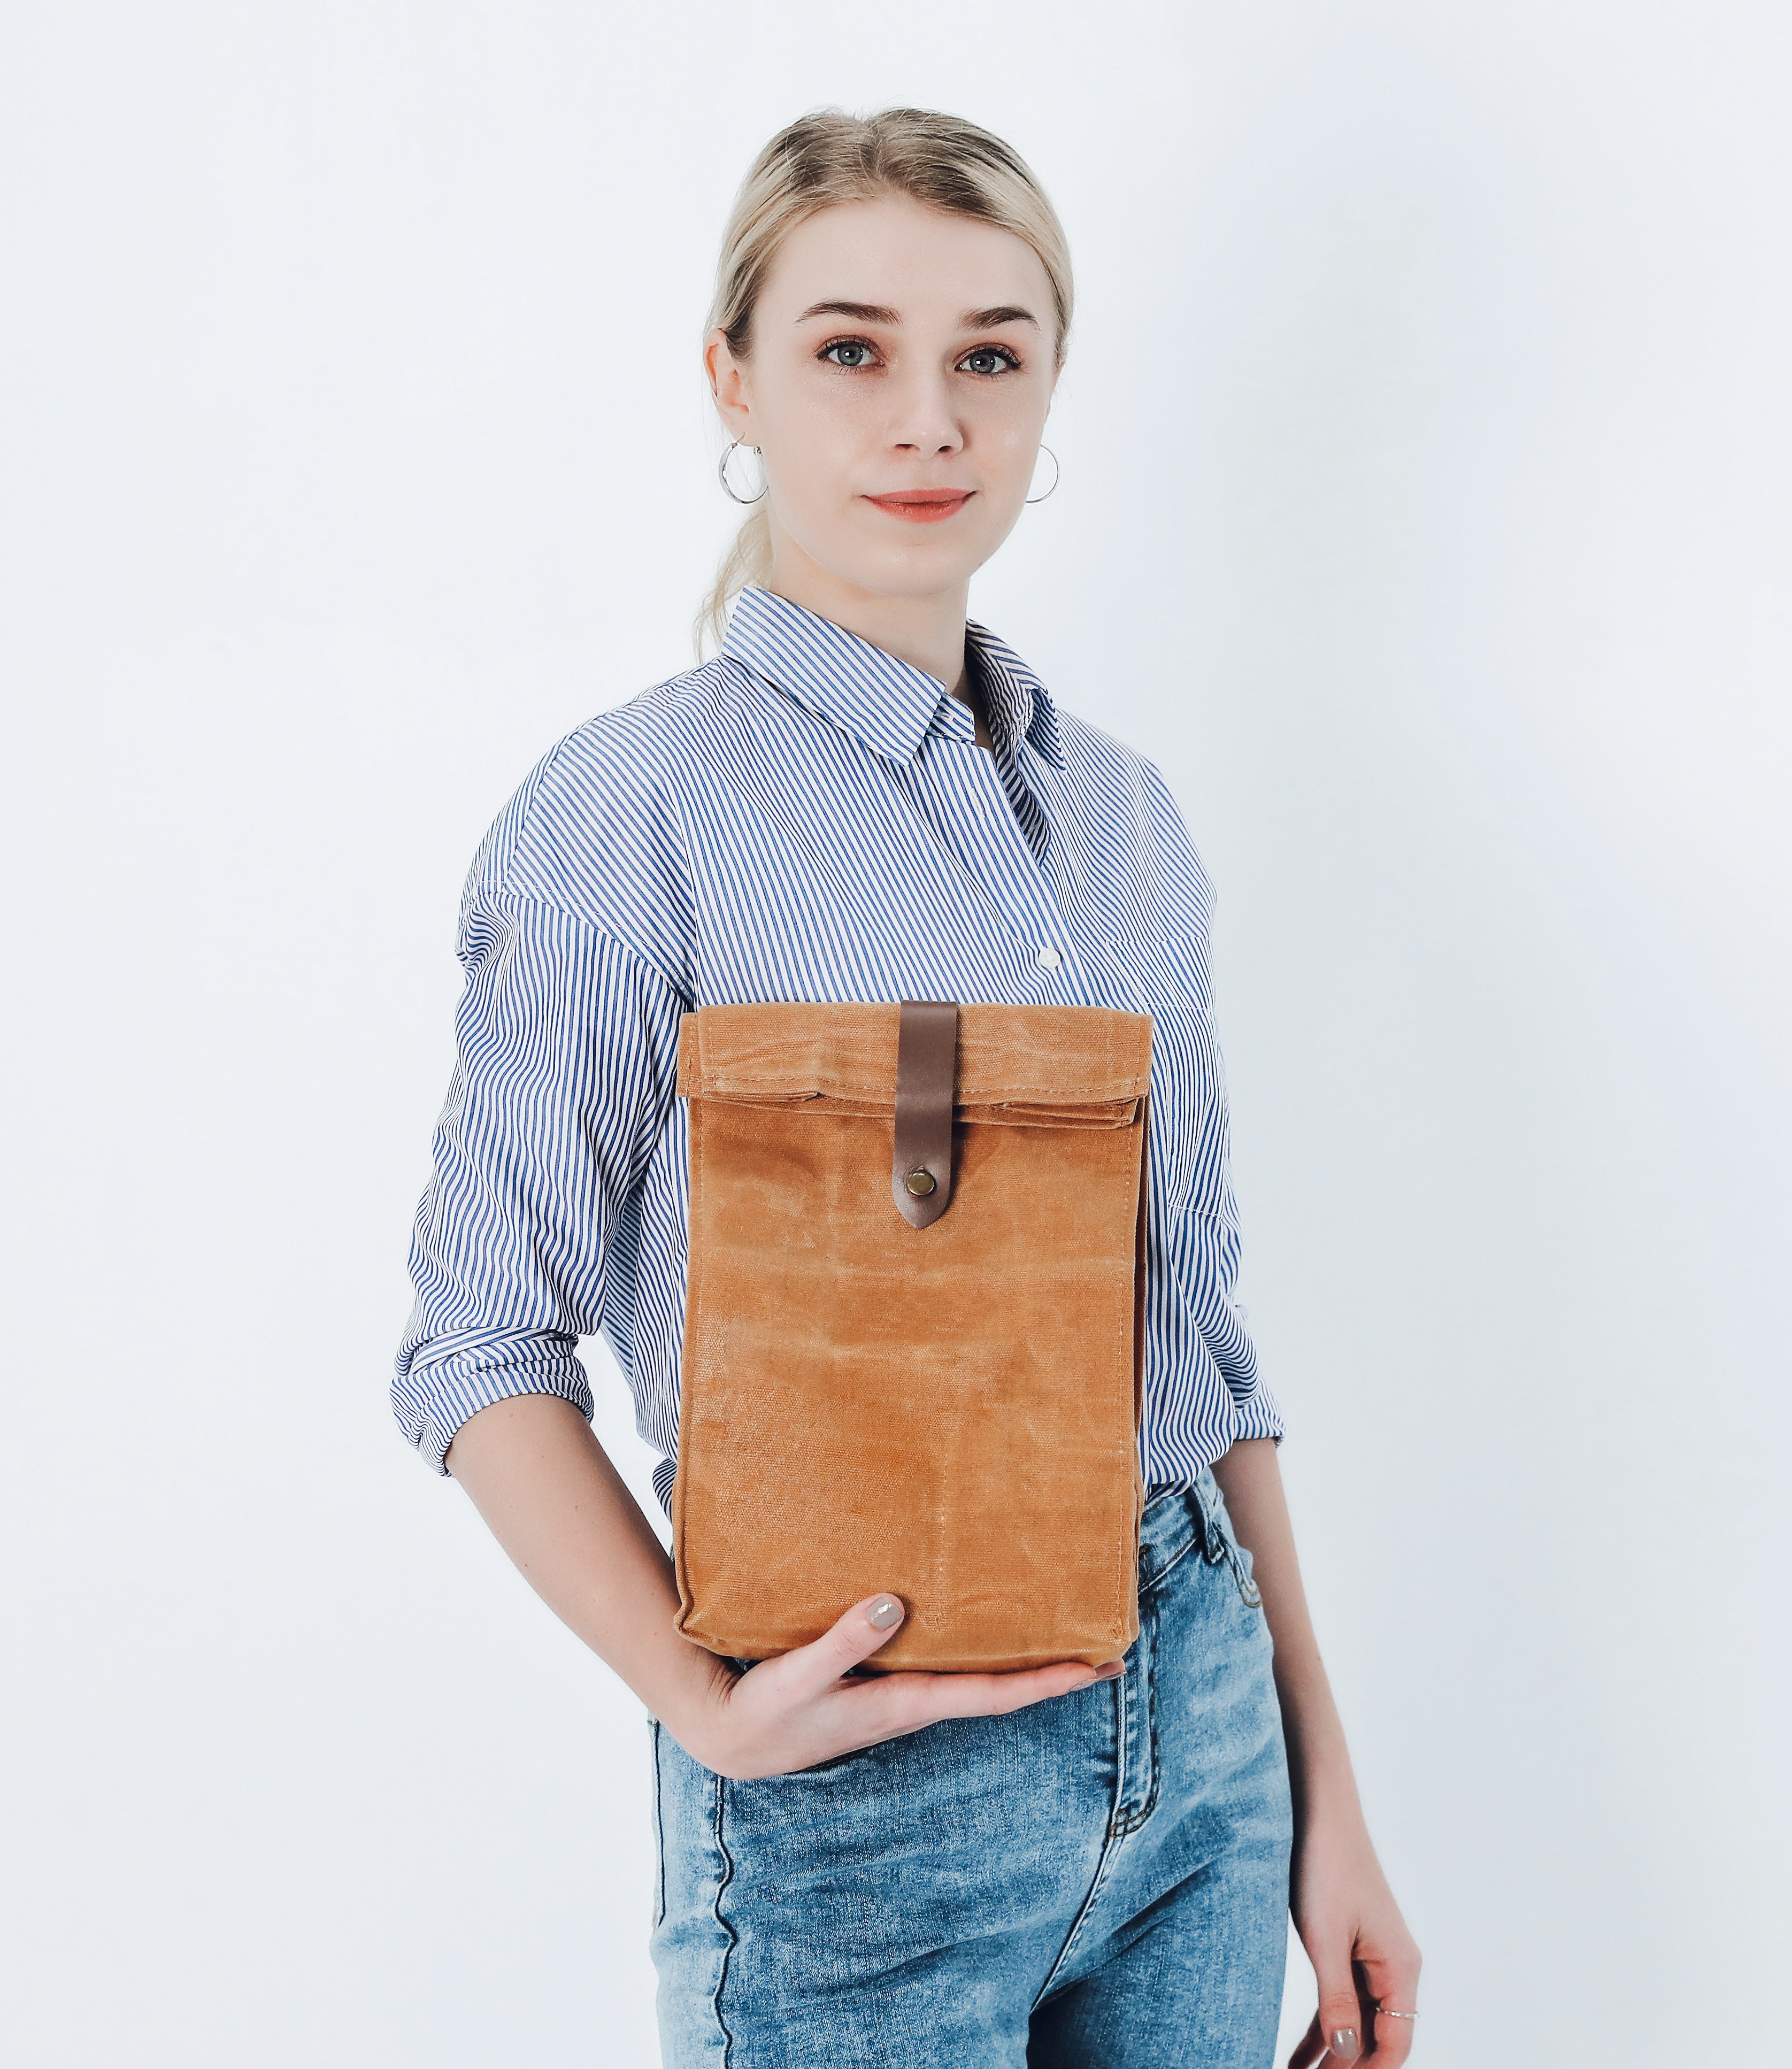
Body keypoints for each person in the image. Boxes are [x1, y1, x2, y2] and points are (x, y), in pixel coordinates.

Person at [392, 106, 1419, 2068]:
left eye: (990, 356)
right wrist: (699, 1706)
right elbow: (476, 1343)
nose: (926, 420)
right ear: (735, 380)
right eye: (850, 350)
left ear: (1046, 396)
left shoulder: (1127, 821)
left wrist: (1324, 1802)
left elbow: (1197, 1349)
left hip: (1199, 1738)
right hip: (865, 1769)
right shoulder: (629, 816)